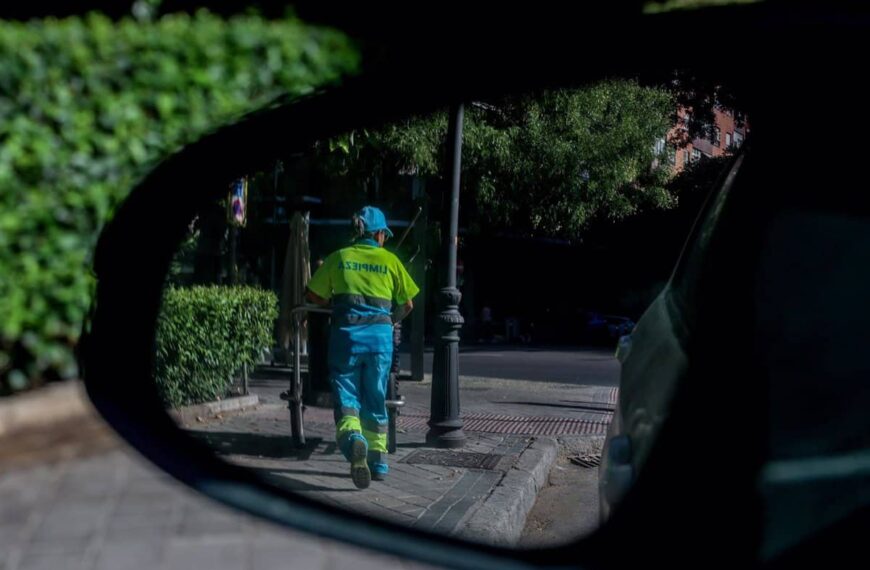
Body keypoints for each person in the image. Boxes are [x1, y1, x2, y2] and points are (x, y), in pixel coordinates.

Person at [305, 206, 419, 489]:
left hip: (346, 339)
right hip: (380, 342)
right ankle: (379, 462)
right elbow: (408, 304)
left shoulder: (339, 258)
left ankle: (354, 441)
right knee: (376, 397)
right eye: (384, 235)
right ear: (379, 234)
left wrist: (334, 304)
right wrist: (390, 321)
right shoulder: (391, 261)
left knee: (347, 396)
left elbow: (312, 295)